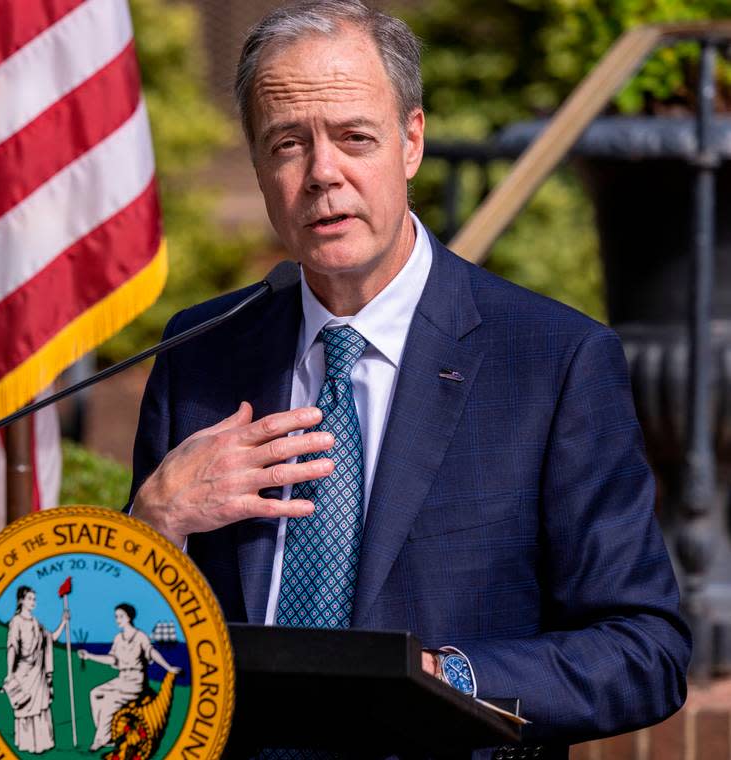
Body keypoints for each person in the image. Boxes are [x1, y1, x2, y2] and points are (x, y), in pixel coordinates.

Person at [128, 0, 690, 753]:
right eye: (288, 144)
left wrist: (449, 679)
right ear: (260, 166)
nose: (323, 173)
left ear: (411, 142)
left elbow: (643, 651)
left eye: (354, 137)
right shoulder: (199, 353)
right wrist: (151, 525)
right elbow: (135, 653)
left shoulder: (553, 362)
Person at [76, 603, 181, 752]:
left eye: (121, 616)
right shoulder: (118, 638)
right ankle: (107, 734)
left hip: (136, 682)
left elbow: (152, 653)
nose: (117, 619)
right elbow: (112, 659)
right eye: (116, 617)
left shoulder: (140, 636)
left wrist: (168, 667)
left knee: (109, 703)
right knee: (94, 693)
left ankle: (101, 739)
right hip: (122, 679)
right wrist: (89, 656)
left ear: (129, 617)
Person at [3, 586, 69, 754]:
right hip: (23, 672)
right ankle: (27, 745)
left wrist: (63, 622)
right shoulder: (16, 622)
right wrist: (10, 674)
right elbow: (12, 647)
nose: (33, 602)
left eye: (34, 599)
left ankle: (42, 744)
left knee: (41, 707)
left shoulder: (36, 623)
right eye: (30, 599)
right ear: (21, 601)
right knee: (24, 708)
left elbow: (51, 638)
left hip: (38, 673)